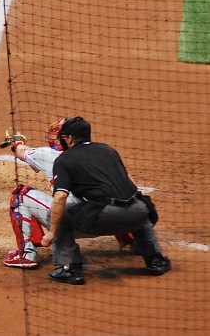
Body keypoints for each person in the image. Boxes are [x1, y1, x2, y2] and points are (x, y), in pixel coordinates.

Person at [41, 116, 171, 285]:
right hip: (138, 211)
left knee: (58, 214)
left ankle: (70, 269)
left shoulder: (64, 159)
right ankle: (156, 260)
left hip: (106, 215)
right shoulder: (108, 150)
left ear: (69, 139)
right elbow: (129, 182)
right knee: (137, 208)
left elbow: (60, 196)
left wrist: (52, 232)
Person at [3, 119, 133, 269]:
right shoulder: (100, 153)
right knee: (114, 192)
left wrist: (18, 142)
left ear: (67, 138)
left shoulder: (48, 155)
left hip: (72, 224)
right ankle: (132, 239)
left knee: (20, 196)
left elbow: (21, 152)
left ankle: (26, 255)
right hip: (109, 220)